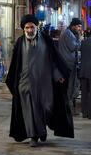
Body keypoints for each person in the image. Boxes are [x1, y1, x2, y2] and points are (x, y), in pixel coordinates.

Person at [6, 14, 74, 147]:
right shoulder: (20, 42)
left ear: (37, 27)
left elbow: (54, 60)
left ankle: (41, 130)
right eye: (27, 28)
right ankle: (33, 136)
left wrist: (58, 75)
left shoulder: (47, 40)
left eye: (32, 27)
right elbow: (15, 63)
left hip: (45, 83)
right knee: (29, 110)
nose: (30, 30)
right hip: (25, 83)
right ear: (23, 29)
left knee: (46, 108)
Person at [58, 18, 82, 114]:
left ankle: (68, 106)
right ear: (73, 26)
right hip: (68, 63)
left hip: (68, 62)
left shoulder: (68, 33)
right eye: (78, 26)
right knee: (70, 84)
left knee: (70, 84)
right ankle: (68, 107)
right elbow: (74, 47)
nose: (80, 28)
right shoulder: (68, 34)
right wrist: (80, 39)